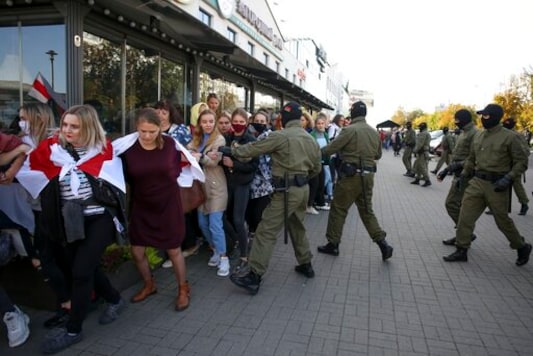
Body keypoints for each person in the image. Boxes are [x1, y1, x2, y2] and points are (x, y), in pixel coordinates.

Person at [16, 104, 127, 354]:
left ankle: (73, 329)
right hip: (69, 219)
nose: (67, 130)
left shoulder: (102, 149)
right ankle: (115, 299)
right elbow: (29, 169)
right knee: (85, 268)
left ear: (86, 127)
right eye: (65, 124)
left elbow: (116, 182)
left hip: (100, 218)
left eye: (74, 126)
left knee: (80, 271)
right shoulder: (51, 149)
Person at [225, 101, 321, 295]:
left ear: (284, 119)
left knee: (265, 230)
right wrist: (300, 179)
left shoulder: (280, 136)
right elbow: (317, 168)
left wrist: (231, 150)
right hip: (302, 190)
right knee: (297, 226)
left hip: (286, 191)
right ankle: (306, 264)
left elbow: (252, 149)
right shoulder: (309, 138)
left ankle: (254, 275)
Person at [113, 108, 202, 311]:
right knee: (137, 251)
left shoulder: (170, 144)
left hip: (167, 204)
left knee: (173, 249)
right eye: (142, 131)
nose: (146, 136)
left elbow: (180, 167)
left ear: (160, 129)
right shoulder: (127, 148)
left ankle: (182, 288)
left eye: (152, 132)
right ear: (137, 128)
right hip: (142, 205)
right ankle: (149, 284)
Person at [443, 104, 532, 265]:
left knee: (502, 221)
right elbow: (471, 159)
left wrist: (509, 178)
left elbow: (521, 162)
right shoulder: (479, 136)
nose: (483, 119)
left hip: (497, 184)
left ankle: (521, 246)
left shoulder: (510, 137)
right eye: (482, 116)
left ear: (496, 117)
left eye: (486, 116)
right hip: (477, 182)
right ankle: (462, 249)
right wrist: (463, 176)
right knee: (465, 216)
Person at [316, 101, 393, 260]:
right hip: (368, 177)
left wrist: (312, 153)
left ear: (353, 113)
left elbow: (331, 148)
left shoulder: (349, 130)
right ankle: (383, 244)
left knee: (338, 209)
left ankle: (333, 244)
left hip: (350, 178)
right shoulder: (373, 132)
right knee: (367, 211)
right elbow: (378, 155)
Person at [188, 109, 229, 277]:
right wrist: (199, 154)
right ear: (200, 123)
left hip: (217, 187)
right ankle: (215, 251)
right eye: (204, 121)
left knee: (215, 224)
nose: (208, 124)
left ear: (215, 122)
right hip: (200, 188)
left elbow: (214, 161)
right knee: (202, 224)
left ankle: (224, 259)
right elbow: (188, 151)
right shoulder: (196, 139)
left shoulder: (219, 139)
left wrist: (200, 157)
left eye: (211, 121)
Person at [220, 108, 258, 273]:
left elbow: (253, 166)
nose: (238, 124)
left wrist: (233, 164)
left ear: (247, 123)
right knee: (221, 217)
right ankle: (237, 240)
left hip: (242, 184)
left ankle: (244, 255)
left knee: (237, 219)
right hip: (226, 183)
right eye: (235, 121)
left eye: (242, 122)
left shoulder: (251, 140)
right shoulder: (225, 138)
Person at [436, 109, 479, 246]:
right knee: (456, 205)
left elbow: (473, 158)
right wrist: (447, 170)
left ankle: (465, 234)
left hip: (466, 174)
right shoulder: (464, 133)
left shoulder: (474, 134)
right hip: (458, 173)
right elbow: (457, 155)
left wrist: (457, 166)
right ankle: (463, 234)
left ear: (464, 119)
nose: (456, 123)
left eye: (458, 120)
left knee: (452, 204)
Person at [245, 110, 273, 242]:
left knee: (259, 212)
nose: (259, 124)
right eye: (257, 121)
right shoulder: (248, 135)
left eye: (262, 122)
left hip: (264, 181)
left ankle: (259, 235)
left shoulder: (270, 137)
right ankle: (252, 232)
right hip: (250, 180)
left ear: (267, 123)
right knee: (249, 212)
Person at [502, 117, 529, 215]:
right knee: (500, 186)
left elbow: (525, 151)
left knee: (517, 185)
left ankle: (524, 204)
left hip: (514, 165)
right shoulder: (502, 135)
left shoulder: (516, 135)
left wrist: (518, 162)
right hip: (503, 164)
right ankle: (497, 207)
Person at [308, 114, 331, 211]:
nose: (320, 125)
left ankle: (320, 202)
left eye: (322, 123)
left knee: (321, 183)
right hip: (314, 163)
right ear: (315, 124)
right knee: (315, 184)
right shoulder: (312, 135)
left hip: (322, 162)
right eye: (318, 123)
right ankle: (310, 204)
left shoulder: (325, 134)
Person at [410, 122, 432, 186]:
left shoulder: (423, 133)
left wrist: (414, 151)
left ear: (423, 127)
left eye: (420, 127)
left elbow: (420, 144)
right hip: (423, 152)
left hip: (422, 152)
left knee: (422, 167)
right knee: (418, 166)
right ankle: (417, 179)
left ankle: (427, 180)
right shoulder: (426, 133)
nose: (419, 128)